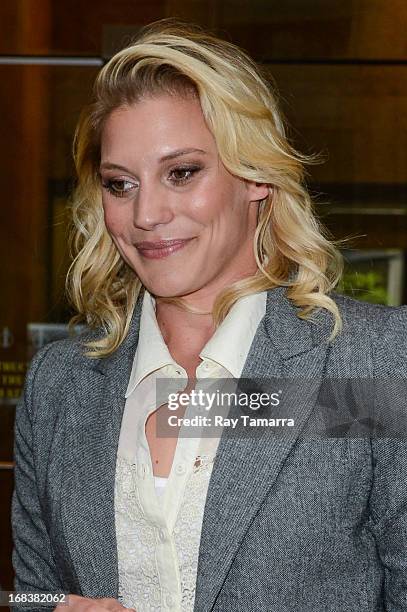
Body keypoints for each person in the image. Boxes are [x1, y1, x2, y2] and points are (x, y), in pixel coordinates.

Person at [11, 19, 407, 612]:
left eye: (182, 173)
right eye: (120, 184)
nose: (146, 213)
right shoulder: (59, 386)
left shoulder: (371, 363)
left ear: (255, 176)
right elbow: (32, 595)